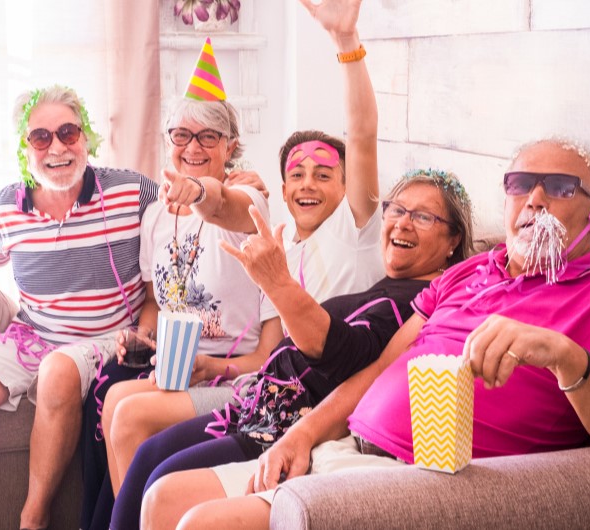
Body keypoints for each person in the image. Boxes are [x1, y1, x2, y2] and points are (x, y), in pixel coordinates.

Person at [156, 137, 590, 530]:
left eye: (560, 187)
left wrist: (564, 356)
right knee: (165, 498)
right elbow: (381, 368)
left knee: (204, 524)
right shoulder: (468, 273)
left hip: (429, 482)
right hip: (349, 448)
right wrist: (302, 436)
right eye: (521, 183)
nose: (534, 199)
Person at [89, 3, 385, 524]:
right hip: (265, 390)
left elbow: (358, 136)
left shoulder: (352, 231)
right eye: (297, 174)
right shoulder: (281, 243)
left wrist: (346, 41)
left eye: (324, 175)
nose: (308, 184)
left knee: (137, 425)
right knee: (113, 397)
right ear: (282, 186)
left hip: (289, 395)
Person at [105, 168, 472, 530]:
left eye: (423, 217)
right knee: (148, 455)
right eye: (397, 210)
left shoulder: (419, 302)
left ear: (453, 239)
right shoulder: (387, 282)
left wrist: (277, 282)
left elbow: (341, 354)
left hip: (282, 422)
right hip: (254, 402)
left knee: (158, 473)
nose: (403, 223)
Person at [0, 84, 159, 530]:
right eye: (41, 137)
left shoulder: (133, 191)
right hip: (34, 335)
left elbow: (181, 223)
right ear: (24, 148)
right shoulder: (8, 206)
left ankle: (33, 518)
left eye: (68, 132)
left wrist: (229, 187)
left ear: (86, 136)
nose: (57, 148)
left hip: (107, 338)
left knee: (58, 371)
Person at [79, 39, 284, 530]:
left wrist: (196, 191)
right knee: (111, 395)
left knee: (127, 413)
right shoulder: (155, 215)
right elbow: (157, 301)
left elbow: (224, 202)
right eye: (182, 134)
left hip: (233, 374)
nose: (193, 147)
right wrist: (143, 337)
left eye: (209, 136)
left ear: (230, 146)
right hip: (176, 367)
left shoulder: (250, 200)